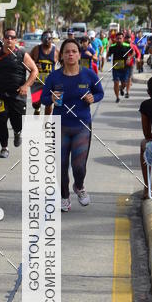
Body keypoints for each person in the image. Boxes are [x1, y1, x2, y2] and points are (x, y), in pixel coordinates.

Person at [41, 38, 104, 211]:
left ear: (78, 54)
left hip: (82, 126)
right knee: (60, 165)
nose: (70, 54)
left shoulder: (88, 74)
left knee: (78, 166)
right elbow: (43, 98)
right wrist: (51, 99)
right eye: (67, 51)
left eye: (74, 51)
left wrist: (93, 98)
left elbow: (99, 93)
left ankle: (79, 186)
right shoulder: (54, 77)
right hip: (60, 126)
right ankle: (64, 196)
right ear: (61, 55)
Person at [0, 28, 38, 158]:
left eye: (12, 37)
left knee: (18, 122)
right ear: (3, 39)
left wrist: (26, 86)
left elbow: (34, 70)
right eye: (7, 37)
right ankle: (4, 148)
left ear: (16, 40)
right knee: (1, 120)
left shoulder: (22, 55)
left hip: (18, 95)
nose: (9, 39)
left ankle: (17, 132)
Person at [139, 75, 152, 198]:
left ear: (148, 92)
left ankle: (147, 188)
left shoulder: (146, 105)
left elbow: (146, 134)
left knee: (143, 145)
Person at [30, 30, 58, 115]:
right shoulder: (36, 49)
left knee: (49, 103)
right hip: (37, 81)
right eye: (44, 38)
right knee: (36, 103)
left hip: (50, 82)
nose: (46, 41)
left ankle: (46, 121)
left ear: (52, 39)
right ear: (41, 39)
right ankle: (37, 109)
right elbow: (28, 62)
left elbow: (64, 64)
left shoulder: (56, 51)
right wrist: (34, 65)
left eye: (49, 39)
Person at [107, 29, 135, 102]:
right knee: (116, 82)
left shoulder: (127, 46)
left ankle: (121, 88)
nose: (119, 40)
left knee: (124, 83)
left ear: (123, 39)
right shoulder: (112, 47)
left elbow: (133, 53)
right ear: (116, 39)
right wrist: (107, 56)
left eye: (120, 38)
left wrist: (129, 57)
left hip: (125, 68)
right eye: (118, 38)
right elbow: (108, 54)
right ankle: (117, 97)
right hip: (116, 67)